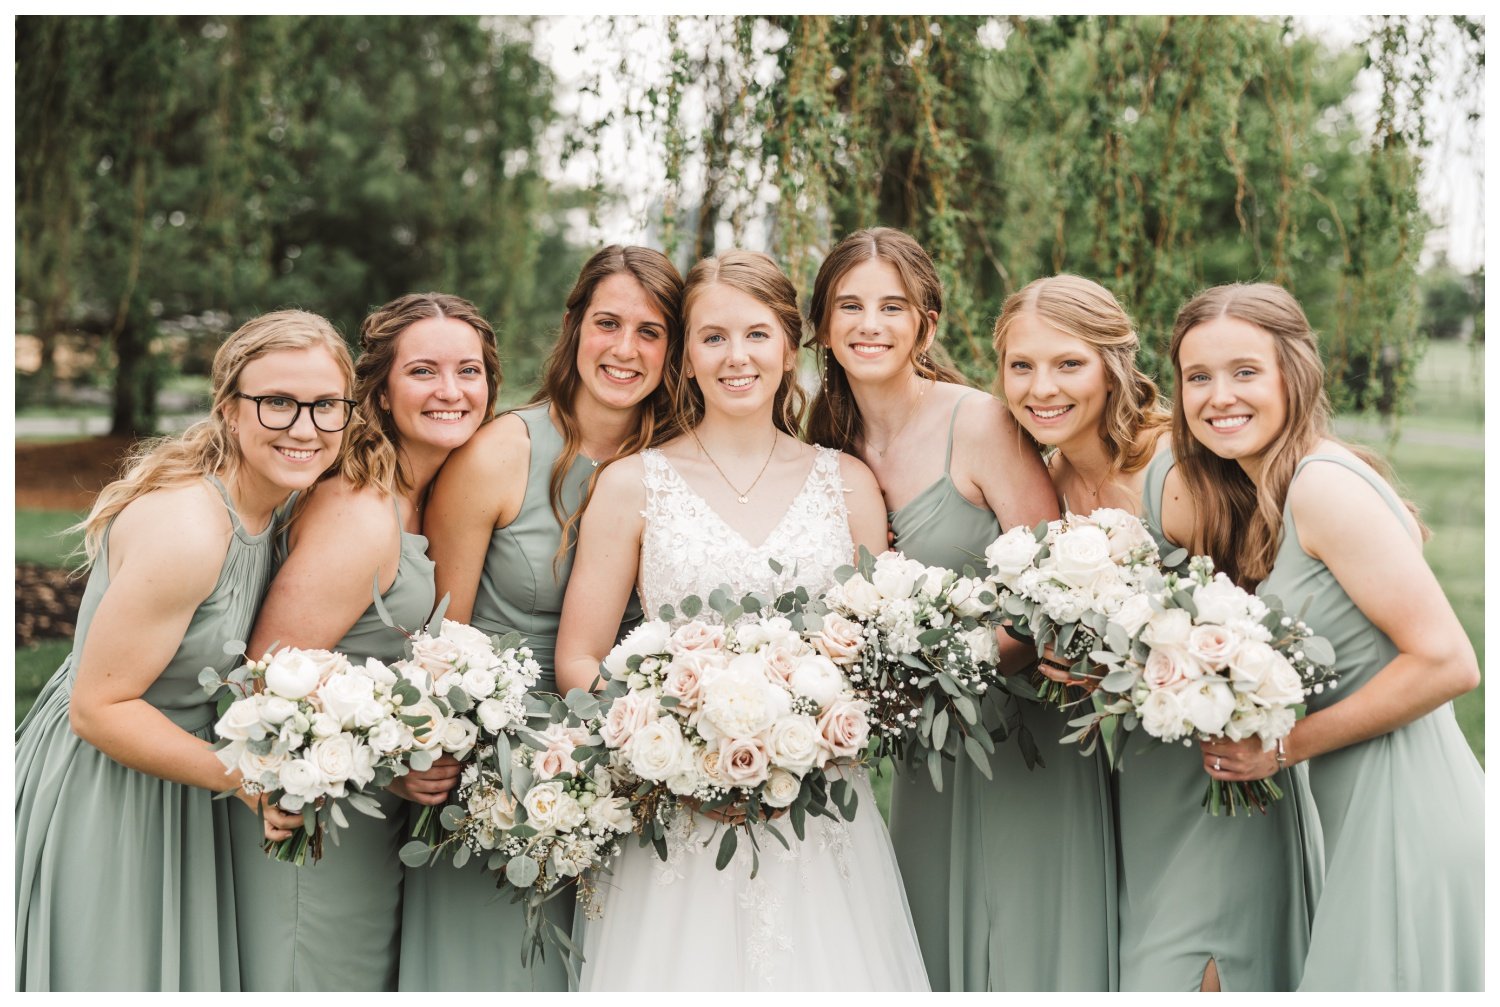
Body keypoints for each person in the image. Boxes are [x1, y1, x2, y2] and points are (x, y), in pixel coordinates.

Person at [556, 249, 929, 992]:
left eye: (757, 335)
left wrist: (815, 738)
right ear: (685, 357)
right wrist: (674, 749)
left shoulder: (847, 482)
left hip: (818, 817)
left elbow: (881, 653)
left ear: (790, 347)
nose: (737, 357)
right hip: (678, 824)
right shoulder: (634, 483)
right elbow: (579, 657)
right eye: (712, 337)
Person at [998, 274, 1324, 992]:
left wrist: (1136, 663)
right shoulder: (1047, 478)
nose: (1041, 387)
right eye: (1021, 365)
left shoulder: (1173, 472)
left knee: (1196, 970)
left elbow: (1260, 640)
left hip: (1214, 775)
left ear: (1114, 365)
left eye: (1068, 364)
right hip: (1132, 785)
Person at [15, 311, 355, 991]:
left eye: (326, 405)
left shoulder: (282, 500)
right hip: (109, 789)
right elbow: (99, 707)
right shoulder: (189, 528)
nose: (305, 426)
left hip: (181, 779)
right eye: (277, 402)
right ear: (231, 410)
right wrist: (249, 778)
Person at [1170, 283, 1482, 991]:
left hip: (1407, 814)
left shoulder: (1321, 487)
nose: (1220, 395)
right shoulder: (1281, 493)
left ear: (1294, 372)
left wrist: (1279, 748)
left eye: (1245, 371)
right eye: (1198, 377)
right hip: (1363, 812)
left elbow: (1448, 662)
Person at [399, 246, 683, 991]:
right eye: (608, 323)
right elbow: (438, 641)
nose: (625, 349)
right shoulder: (502, 452)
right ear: (573, 328)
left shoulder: (679, 465)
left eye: (650, 332)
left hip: (632, 776)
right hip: (494, 776)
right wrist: (434, 753)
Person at [228, 294, 499, 990]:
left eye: (469, 370)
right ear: (378, 389)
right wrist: (392, 767)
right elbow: (267, 683)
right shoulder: (360, 507)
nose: (451, 390)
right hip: (312, 829)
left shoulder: (416, 495)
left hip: (362, 818)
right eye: (424, 371)